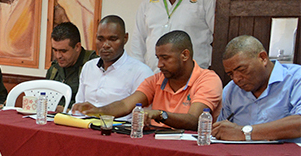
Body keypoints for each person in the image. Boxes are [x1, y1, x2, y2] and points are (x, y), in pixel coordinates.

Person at [74, 30, 222, 129]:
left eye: (165, 58)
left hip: (190, 148)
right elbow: (125, 104)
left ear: (185, 55)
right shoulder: (156, 80)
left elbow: (194, 120)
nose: (159, 64)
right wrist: (98, 111)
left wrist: (160, 115)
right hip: (155, 142)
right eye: (158, 58)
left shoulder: (207, 80)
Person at [213, 35, 301, 143]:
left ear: (263, 58)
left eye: (242, 70)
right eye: (230, 74)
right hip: (239, 152)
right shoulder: (231, 90)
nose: (236, 79)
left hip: (288, 153)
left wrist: (244, 133)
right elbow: (222, 130)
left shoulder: (296, 79)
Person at [74, 16, 154, 116]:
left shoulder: (141, 72)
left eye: (112, 39)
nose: (105, 45)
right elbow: (79, 106)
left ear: (125, 38)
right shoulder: (89, 67)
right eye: (100, 39)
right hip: (85, 123)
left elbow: (139, 114)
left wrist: (99, 112)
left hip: (119, 125)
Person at [45, 21, 97, 110]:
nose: (58, 56)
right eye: (55, 50)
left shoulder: (93, 66)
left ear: (77, 47)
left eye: (63, 51)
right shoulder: (54, 69)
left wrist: (67, 111)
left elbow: (97, 104)